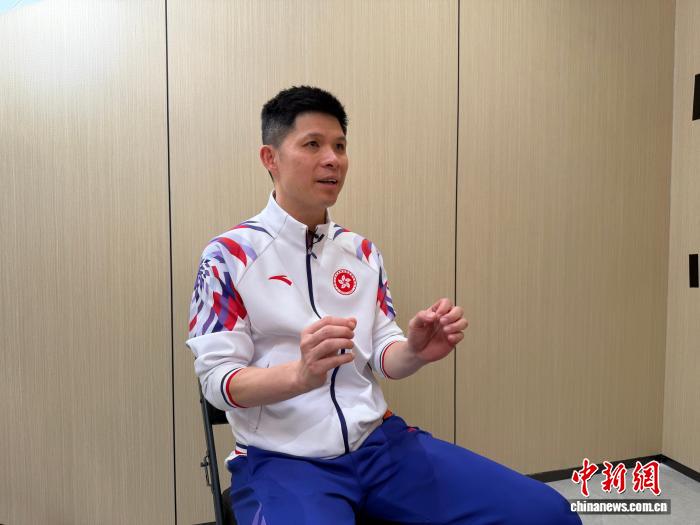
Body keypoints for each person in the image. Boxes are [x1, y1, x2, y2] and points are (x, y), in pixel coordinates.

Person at [186, 86, 581, 525]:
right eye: (313, 144)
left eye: (340, 146)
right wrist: (299, 375)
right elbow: (218, 382)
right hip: (282, 461)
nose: (333, 159)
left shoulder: (362, 253)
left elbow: (383, 356)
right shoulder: (228, 257)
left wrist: (414, 351)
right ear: (270, 158)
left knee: (548, 514)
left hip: (380, 446)